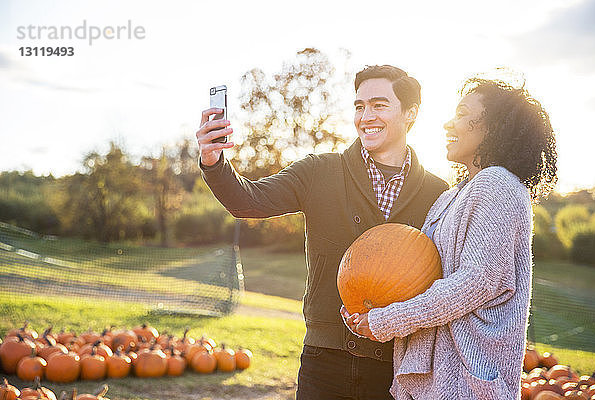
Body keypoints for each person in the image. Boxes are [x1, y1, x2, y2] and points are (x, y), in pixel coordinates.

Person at [196, 65, 448, 399]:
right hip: (324, 359)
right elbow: (248, 201)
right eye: (359, 106)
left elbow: (444, 279)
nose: (365, 116)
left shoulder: (438, 192)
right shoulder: (319, 171)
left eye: (379, 105)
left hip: (397, 367)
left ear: (410, 113)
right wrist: (214, 162)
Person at [342, 76, 558, 399]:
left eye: (461, 113)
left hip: (465, 385)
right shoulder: (450, 198)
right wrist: (367, 310)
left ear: (494, 125)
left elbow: (473, 284)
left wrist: (385, 320)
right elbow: (419, 274)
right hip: (436, 383)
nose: (447, 124)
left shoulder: (499, 185)